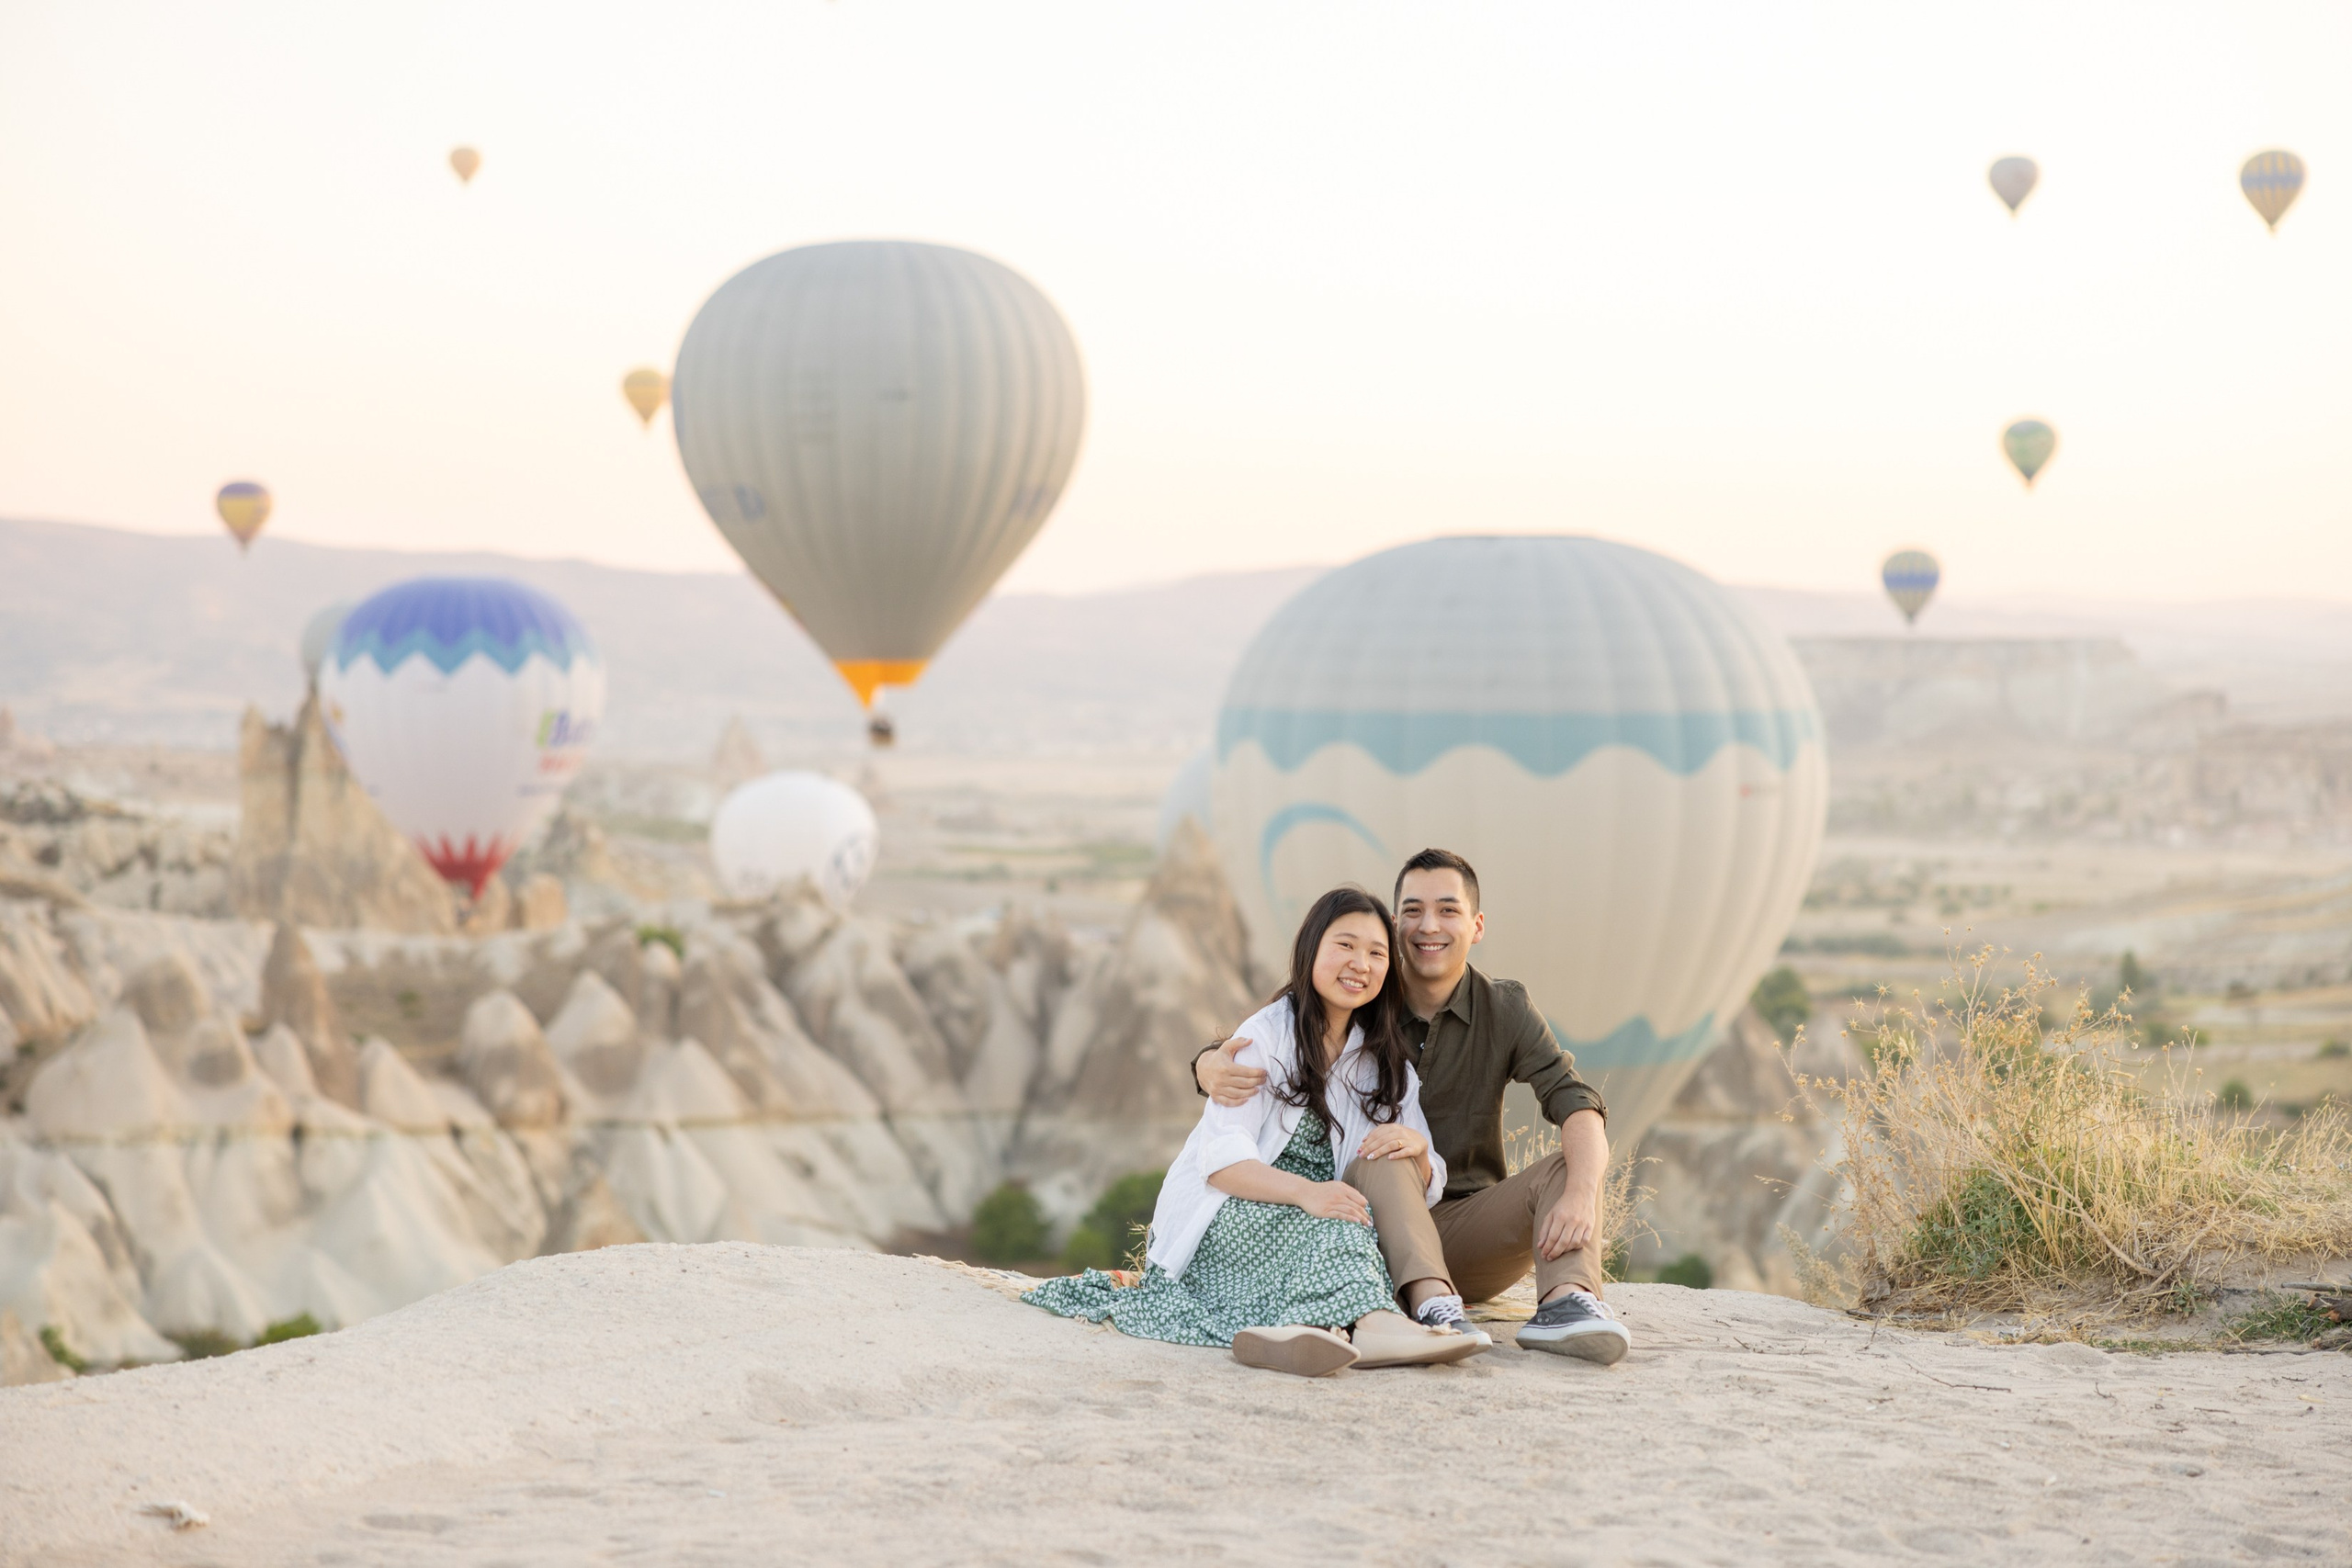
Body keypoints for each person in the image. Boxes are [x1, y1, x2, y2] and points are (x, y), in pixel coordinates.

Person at [1023, 886, 1486, 1377]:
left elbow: (1427, 1180)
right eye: (1344, 946)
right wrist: (1309, 1194)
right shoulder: (1263, 1037)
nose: (1361, 964)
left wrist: (1418, 1151)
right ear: (1311, 950)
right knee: (1335, 1229)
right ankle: (1373, 1328)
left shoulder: (1384, 1063)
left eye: (1376, 953)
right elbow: (1222, 1165)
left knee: (1345, 1223)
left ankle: (1300, 1333)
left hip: (1322, 1211)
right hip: (1230, 1211)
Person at [1195, 849, 1631, 1365]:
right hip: (1366, 1223)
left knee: (1569, 1164)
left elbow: (1574, 1099)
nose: (1430, 926)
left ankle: (1567, 1306)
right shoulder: (1364, 996)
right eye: (1413, 911)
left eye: (1448, 910)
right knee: (1385, 1155)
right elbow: (1281, 1030)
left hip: (1465, 1227)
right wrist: (1205, 1065)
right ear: (1396, 922)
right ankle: (1431, 1311)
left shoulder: (1505, 1009)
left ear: (1477, 924)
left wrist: (1582, 1192)